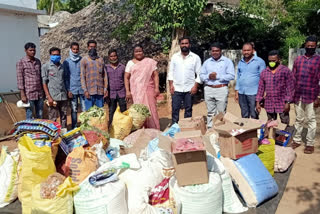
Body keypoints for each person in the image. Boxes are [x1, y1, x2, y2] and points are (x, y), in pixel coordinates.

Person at [291, 35, 320, 154]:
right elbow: (293, 77)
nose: (310, 48)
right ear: (305, 45)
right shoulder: (298, 60)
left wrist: (318, 97)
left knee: (311, 120)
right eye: (308, 46)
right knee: (298, 119)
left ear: (316, 46)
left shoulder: (318, 60)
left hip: (312, 95)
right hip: (298, 95)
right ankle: (297, 140)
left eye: (312, 46)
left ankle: (310, 143)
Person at [124, 45, 160, 129]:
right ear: (133, 53)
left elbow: (155, 75)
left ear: (143, 52)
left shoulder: (149, 62)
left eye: (140, 51)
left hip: (149, 90)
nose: (138, 53)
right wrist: (127, 91)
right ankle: (141, 129)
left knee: (151, 108)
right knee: (139, 110)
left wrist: (157, 88)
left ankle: (154, 128)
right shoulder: (130, 63)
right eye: (136, 51)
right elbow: (126, 77)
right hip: (136, 92)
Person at [200, 42, 235, 128]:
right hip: (209, 88)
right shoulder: (207, 62)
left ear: (221, 51)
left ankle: (220, 129)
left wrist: (217, 76)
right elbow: (201, 75)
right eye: (213, 51)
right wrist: (208, 76)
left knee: (221, 112)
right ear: (210, 51)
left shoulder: (227, 62)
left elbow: (231, 76)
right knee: (210, 111)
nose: (215, 52)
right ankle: (210, 130)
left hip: (221, 88)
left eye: (217, 51)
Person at [168, 37, 202, 124]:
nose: (184, 45)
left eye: (186, 43)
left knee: (188, 109)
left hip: (189, 88)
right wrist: (171, 85)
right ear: (180, 45)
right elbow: (171, 72)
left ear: (189, 44)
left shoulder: (195, 58)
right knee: (175, 109)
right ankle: (175, 128)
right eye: (182, 43)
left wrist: (195, 86)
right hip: (176, 88)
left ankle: (186, 128)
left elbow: (199, 74)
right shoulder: (175, 57)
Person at [256, 50, 295, 124]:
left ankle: (285, 135)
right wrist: (258, 102)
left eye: (274, 60)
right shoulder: (264, 72)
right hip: (269, 103)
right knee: (271, 124)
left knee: (285, 122)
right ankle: (272, 135)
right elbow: (261, 88)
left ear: (279, 60)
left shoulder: (285, 71)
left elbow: (290, 88)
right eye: (270, 61)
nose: (272, 62)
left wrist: (288, 102)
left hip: (282, 103)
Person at [235, 42, 266, 119]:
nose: (246, 52)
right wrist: (236, 91)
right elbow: (238, 77)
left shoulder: (260, 61)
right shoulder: (240, 62)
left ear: (252, 50)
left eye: (248, 50)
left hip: (254, 93)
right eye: (244, 50)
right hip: (242, 92)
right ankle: (246, 130)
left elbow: (263, 78)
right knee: (244, 114)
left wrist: (262, 93)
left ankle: (254, 130)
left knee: (254, 114)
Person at [16, 42, 44, 119]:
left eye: (34, 50)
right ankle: (29, 130)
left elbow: (40, 76)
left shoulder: (38, 61)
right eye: (30, 50)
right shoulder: (21, 62)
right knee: (29, 114)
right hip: (29, 93)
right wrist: (22, 94)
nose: (33, 52)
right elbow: (20, 78)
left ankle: (39, 130)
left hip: (39, 93)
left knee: (40, 113)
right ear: (25, 50)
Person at [42, 47, 68, 128]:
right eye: (53, 55)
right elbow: (44, 83)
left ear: (60, 55)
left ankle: (64, 133)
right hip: (53, 97)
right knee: (53, 117)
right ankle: (53, 134)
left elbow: (65, 80)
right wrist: (48, 97)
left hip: (63, 95)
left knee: (64, 116)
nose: (55, 56)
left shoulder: (62, 66)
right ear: (50, 55)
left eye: (57, 54)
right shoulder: (46, 66)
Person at [80, 40, 108, 110]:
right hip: (89, 92)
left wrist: (105, 89)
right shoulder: (84, 60)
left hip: (100, 92)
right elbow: (82, 76)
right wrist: (85, 90)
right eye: (91, 47)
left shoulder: (100, 60)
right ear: (88, 48)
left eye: (94, 47)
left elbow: (105, 76)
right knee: (89, 113)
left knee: (100, 113)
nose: (92, 48)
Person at [63, 42, 85, 129]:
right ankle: (74, 127)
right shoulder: (66, 62)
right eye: (74, 49)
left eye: (77, 49)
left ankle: (84, 126)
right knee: (74, 109)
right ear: (71, 49)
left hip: (82, 89)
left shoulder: (82, 60)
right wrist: (68, 90)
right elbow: (66, 77)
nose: (75, 51)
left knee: (84, 109)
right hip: (72, 89)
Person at [105, 49, 127, 127]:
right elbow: (104, 80)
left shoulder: (122, 67)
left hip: (122, 92)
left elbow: (126, 80)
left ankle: (124, 126)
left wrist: (127, 92)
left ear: (117, 56)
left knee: (123, 110)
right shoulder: (106, 68)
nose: (113, 58)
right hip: (111, 94)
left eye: (115, 56)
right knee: (111, 111)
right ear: (109, 57)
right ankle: (111, 127)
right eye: (111, 56)